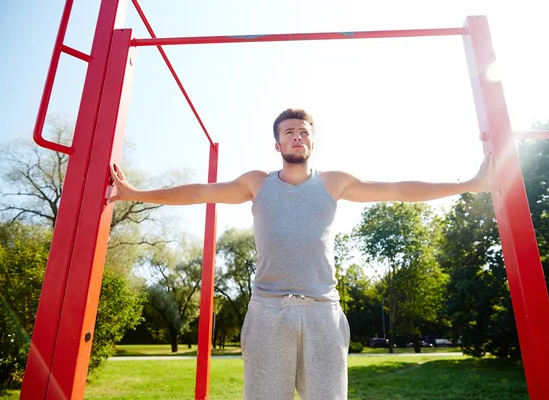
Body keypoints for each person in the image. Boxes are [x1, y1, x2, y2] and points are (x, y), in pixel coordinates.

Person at [108, 108, 492, 400]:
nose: (297, 137)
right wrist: (136, 194)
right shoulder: (256, 184)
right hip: (268, 312)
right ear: (277, 144)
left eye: (303, 132)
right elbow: (197, 193)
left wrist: (469, 185)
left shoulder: (333, 182)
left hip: (322, 311)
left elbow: (397, 189)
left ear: (312, 144)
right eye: (289, 132)